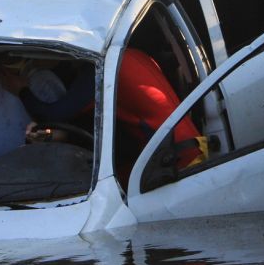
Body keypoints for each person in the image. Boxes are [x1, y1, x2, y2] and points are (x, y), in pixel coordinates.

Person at [18, 49, 208, 183]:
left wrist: (20, 89)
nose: (33, 64)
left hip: (177, 164)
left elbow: (55, 113)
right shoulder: (128, 54)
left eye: (33, 59)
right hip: (190, 146)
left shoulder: (104, 70)